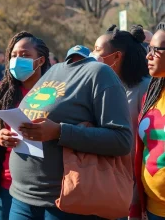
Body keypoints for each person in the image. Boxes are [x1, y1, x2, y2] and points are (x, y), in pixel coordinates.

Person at [7, 39, 132, 219]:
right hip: (21, 197)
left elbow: (122, 140)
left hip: (63, 203)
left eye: (25, 54)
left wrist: (59, 131)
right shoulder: (55, 71)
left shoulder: (100, 74)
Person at [0, 31, 51, 220]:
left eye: (25, 55)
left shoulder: (55, 93)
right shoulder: (2, 95)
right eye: (13, 55)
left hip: (46, 188)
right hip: (6, 186)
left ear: (41, 61)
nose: (17, 60)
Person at [92, 24, 150, 155]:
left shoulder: (145, 88)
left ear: (117, 56)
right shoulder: (100, 87)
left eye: (97, 49)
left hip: (135, 169)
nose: (92, 55)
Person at [130, 22, 165, 219]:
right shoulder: (151, 94)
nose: (148, 55)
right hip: (151, 209)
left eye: (155, 49)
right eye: (148, 48)